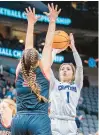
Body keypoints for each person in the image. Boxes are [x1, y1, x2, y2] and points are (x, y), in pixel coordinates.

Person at [11, 4, 61, 135]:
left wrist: (30, 23)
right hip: (39, 119)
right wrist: (52, 20)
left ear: (23, 59)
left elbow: (27, 47)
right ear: (38, 59)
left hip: (19, 120)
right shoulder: (43, 68)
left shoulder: (19, 70)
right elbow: (48, 44)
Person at [49, 33, 83, 135]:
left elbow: (80, 67)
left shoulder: (76, 85)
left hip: (70, 122)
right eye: (62, 69)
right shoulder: (54, 84)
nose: (64, 70)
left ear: (73, 74)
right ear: (59, 73)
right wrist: (54, 52)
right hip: (55, 120)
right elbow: (47, 66)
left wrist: (73, 48)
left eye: (68, 69)